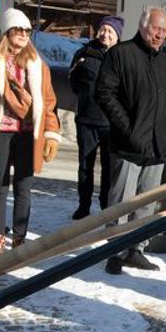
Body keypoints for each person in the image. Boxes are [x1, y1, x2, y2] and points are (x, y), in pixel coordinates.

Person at [95, 5, 166, 274]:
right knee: (121, 203)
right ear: (143, 27)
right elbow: (105, 93)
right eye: (156, 28)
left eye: (164, 30)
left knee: (146, 204)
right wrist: (128, 130)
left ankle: (136, 250)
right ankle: (115, 251)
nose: (160, 34)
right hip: (127, 145)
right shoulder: (121, 54)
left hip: (158, 147)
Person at [0, 9, 60, 254]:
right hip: (1, 130)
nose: (24, 35)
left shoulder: (37, 64)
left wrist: (51, 132)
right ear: (7, 31)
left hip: (28, 132)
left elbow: (49, 101)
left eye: (27, 31)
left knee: (24, 187)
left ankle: (19, 238)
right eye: (19, 30)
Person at [69, 15, 122, 219]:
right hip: (86, 119)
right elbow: (73, 82)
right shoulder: (84, 53)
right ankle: (83, 205)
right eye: (103, 29)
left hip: (110, 122)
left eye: (110, 31)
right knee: (85, 165)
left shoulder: (121, 56)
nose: (105, 34)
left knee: (109, 167)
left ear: (117, 36)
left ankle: (105, 206)